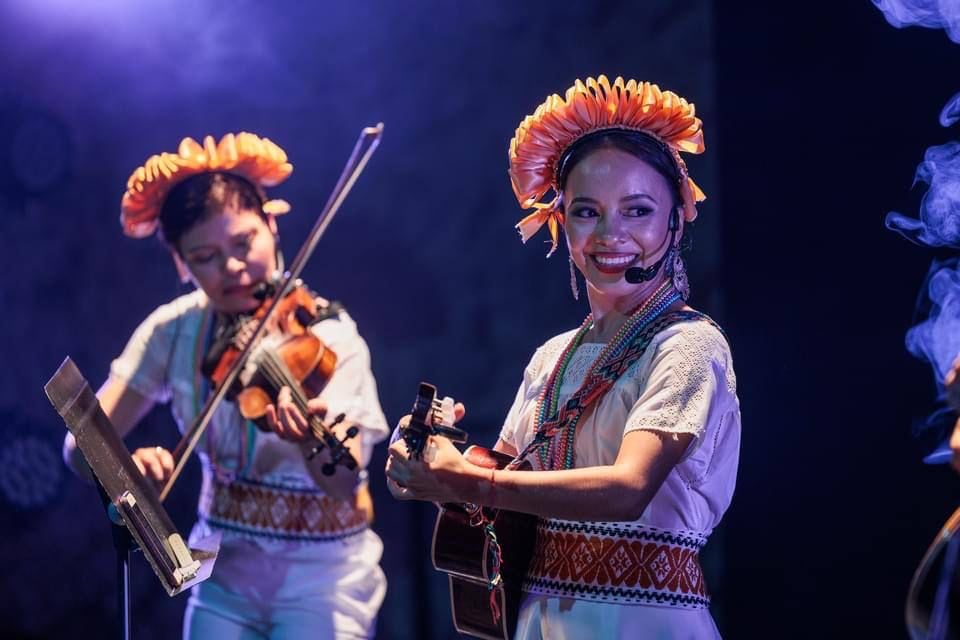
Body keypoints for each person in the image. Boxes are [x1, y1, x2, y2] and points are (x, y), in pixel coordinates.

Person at [385, 76, 741, 639]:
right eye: (585, 211)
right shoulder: (552, 357)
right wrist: (437, 465)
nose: (610, 234)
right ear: (561, 220)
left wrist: (476, 485)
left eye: (637, 210)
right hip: (539, 623)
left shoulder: (689, 343)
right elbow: (498, 502)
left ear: (676, 217)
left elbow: (628, 489)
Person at [62, 132, 389, 639]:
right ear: (180, 262)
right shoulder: (173, 330)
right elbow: (78, 447)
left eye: (243, 243)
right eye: (205, 256)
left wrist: (308, 439)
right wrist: (124, 470)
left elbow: (347, 484)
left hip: (323, 580)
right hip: (220, 576)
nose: (232, 267)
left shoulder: (329, 336)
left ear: (272, 226)